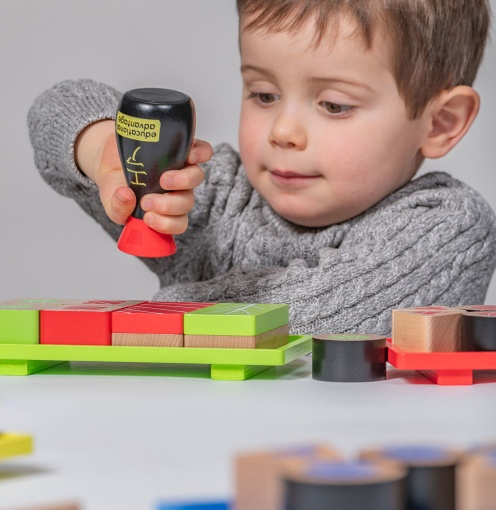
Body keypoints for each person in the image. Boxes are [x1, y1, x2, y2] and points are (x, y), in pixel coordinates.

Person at [28, 0, 496, 335]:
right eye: (264, 95)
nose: (283, 131)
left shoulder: (450, 224)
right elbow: (56, 111)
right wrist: (109, 157)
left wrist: (155, 314)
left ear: (440, 122)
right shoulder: (218, 203)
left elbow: (324, 316)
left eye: (333, 104)